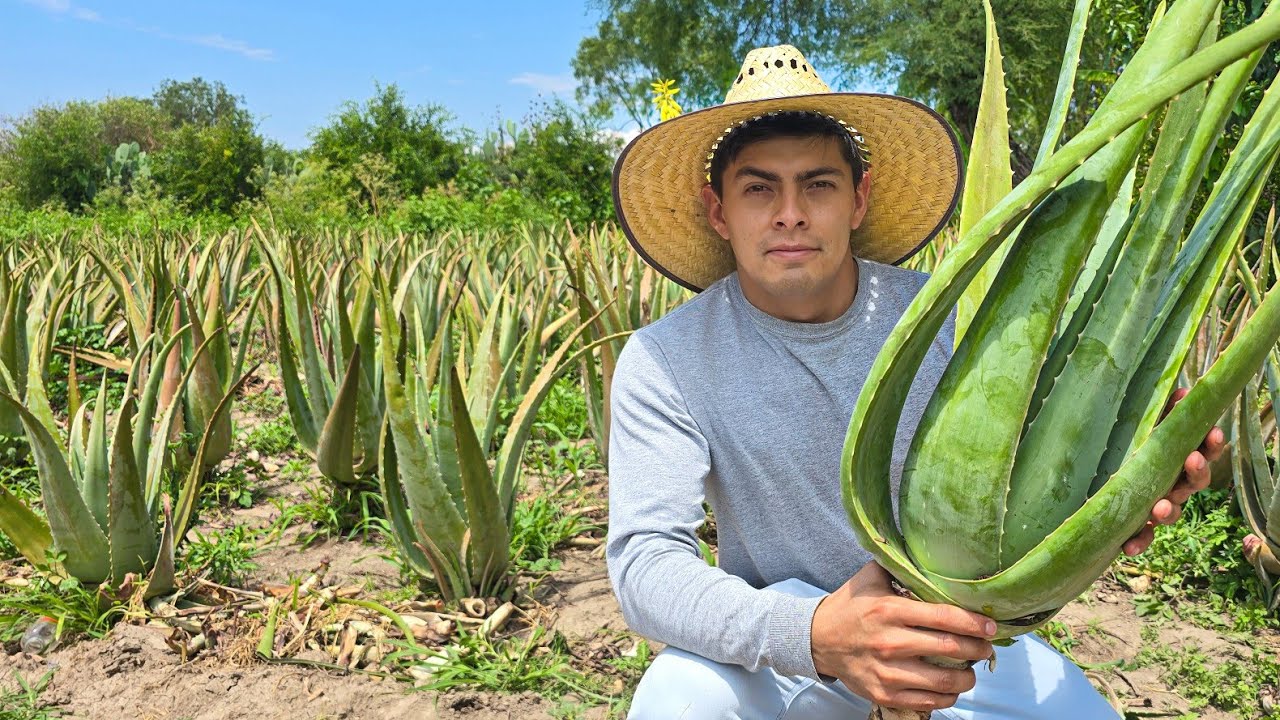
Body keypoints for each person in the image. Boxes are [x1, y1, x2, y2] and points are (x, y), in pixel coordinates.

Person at [605, 45, 1222, 719]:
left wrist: (1126, 483)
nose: (790, 214)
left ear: (858, 198)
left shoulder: (951, 319)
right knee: (676, 699)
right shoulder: (666, 358)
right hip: (784, 642)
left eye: (818, 184)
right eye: (758, 189)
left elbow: (1049, 464)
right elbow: (645, 564)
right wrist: (814, 635)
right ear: (718, 211)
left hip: (952, 633)